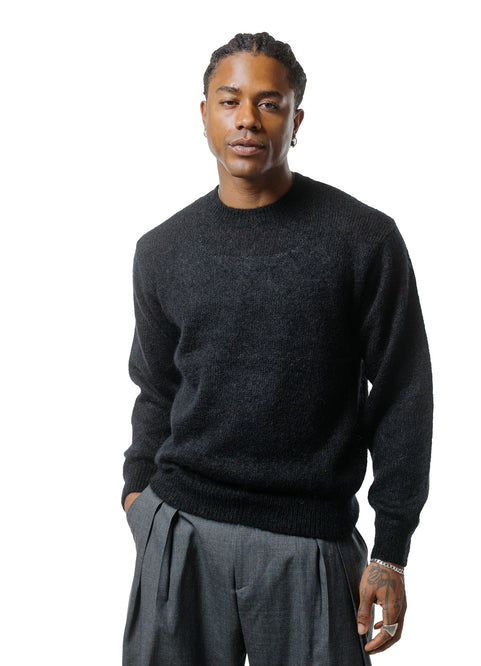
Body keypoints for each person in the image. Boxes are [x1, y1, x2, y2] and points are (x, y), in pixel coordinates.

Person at [121, 32, 433, 666]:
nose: (247, 119)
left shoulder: (363, 240)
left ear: (297, 120)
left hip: (309, 544)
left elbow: (404, 392)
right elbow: (156, 389)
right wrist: (136, 497)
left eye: (269, 103)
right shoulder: (160, 250)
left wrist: (391, 550)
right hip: (181, 531)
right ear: (204, 113)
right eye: (229, 100)